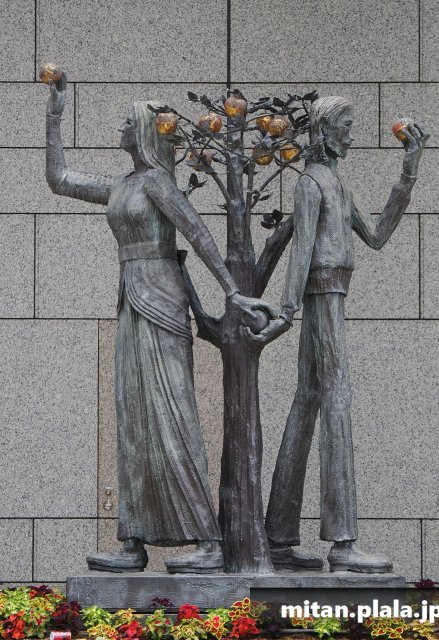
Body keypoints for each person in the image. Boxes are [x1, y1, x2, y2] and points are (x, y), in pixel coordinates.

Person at [45, 73, 274, 573]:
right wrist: (56, 113)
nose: (121, 127)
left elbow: (198, 233)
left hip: (163, 300)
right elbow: (59, 179)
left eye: (129, 122)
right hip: (131, 299)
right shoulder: (123, 184)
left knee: (173, 417)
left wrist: (233, 292)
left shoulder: (157, 183)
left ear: (146, 132)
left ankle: (208, 540)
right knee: (134, 420)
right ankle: (133, 541)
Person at [245, 96, 428, 572]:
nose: (351, 133)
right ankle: (343, 542)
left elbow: (377, 235)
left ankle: (278, 538)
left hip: (332, 296)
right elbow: (302, 249)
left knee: (307, 402)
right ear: (324, 131)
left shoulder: (335, 183)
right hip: (322, 299)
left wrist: (408, 170)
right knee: (336, 401)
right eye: (346, 124)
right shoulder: (311, 183)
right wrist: (286, 312)